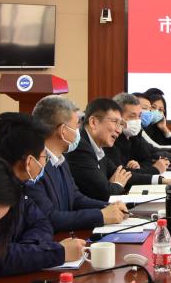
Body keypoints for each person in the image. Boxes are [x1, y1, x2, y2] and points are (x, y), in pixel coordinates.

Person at [0, 112, 86, 276]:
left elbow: (42, 223)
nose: (45, 162)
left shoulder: (21, 186)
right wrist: (56, 252)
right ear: (29, 162)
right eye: (44, 156)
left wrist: (29, 250)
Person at [31, 95, 126, 231]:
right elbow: (50, 218)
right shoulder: (33, 166)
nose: (79, 131)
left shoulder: (61, 160)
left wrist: (109, 207)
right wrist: (101, 215)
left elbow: (75, 198)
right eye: (76, 125)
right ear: (63, 131)